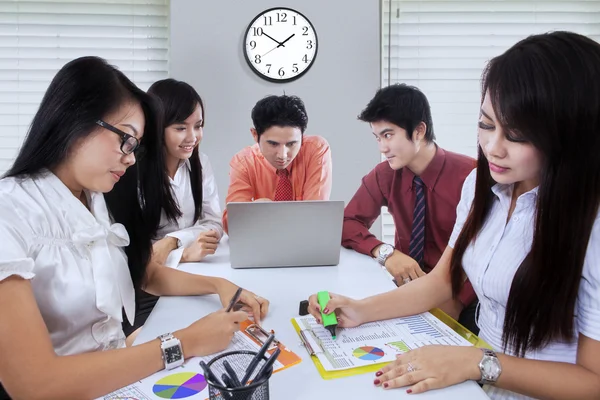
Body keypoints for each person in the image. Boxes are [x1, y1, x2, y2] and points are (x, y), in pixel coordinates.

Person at [308, 31, 600, 399]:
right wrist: (359, 310)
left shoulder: (591, 221)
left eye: (518, 135)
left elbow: (594, 381)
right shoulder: (482, 185)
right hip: (479, 379)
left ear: (571, 136)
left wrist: (476, 361)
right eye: (486, 125)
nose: (493, 148)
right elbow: (442, 280)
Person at [0, 56, 268, 399]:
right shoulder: (12, 210)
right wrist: (181, 343)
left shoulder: (96, 198)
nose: (131, 157)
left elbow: (145, 274)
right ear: (75, 121)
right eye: (126, 140)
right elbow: (34, 384)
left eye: (136, 146)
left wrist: (219, 285)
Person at [342, 84, 477, 328]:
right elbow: (347, 222)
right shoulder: (384, 175)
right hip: (406, 289)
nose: (382, 148)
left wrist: (458, 300)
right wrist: (385, 252)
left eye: (388, 135)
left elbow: (485, 251)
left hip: (461, 298)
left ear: (419, 131)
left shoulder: (471, 177)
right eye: (377, 138)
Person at [123, 79, 226, 337]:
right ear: (157, 127)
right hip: (143, 286)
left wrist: (172, 242)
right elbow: (137, 252)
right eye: (181, 127)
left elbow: (213, 223)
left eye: (198, 126)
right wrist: (185, 253)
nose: (192, 137)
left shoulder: (199, 163)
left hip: (190, 272)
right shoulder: (130, 169)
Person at [222, 94, 332, 232]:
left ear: (302, 136)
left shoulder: (315, 149)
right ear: (255, 135)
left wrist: (266, 216)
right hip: (262, 241)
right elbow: (231, 224)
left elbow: (315, 215)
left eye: (292, 144)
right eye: (273, 144)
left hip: (304, 242)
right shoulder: (243, 162)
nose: (283, 155)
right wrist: (252, 210)